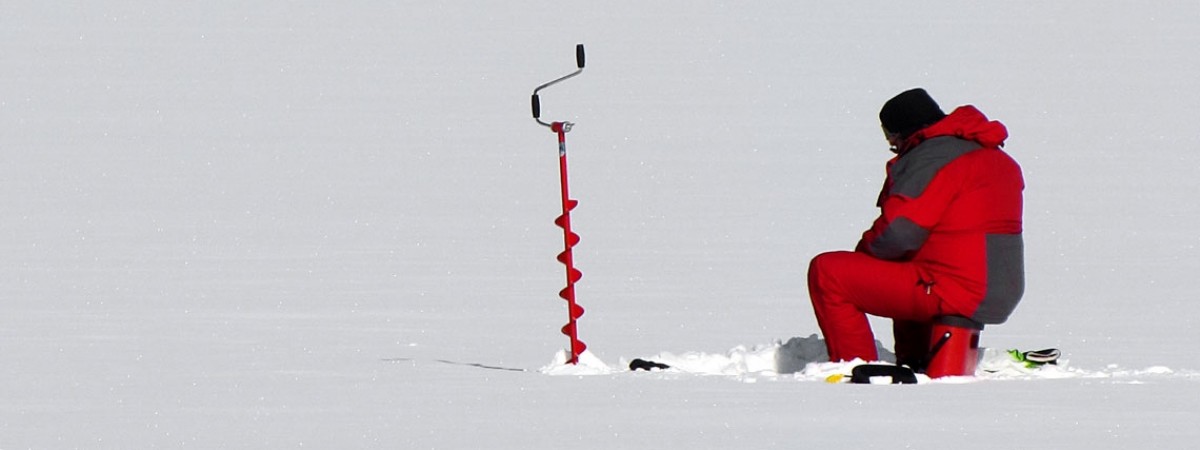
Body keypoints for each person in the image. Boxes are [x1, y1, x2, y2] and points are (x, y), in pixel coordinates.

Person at [807, 88, 1025, 367]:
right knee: (912, 268)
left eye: (892, 141)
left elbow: (899, 232)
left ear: (902, 134)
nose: (894, 148)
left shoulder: (932, 157)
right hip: (1000, 287)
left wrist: (863, 259)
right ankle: (917, 362)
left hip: (956, 288)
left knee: (829, 272)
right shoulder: (995, 157)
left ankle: (857, 368)